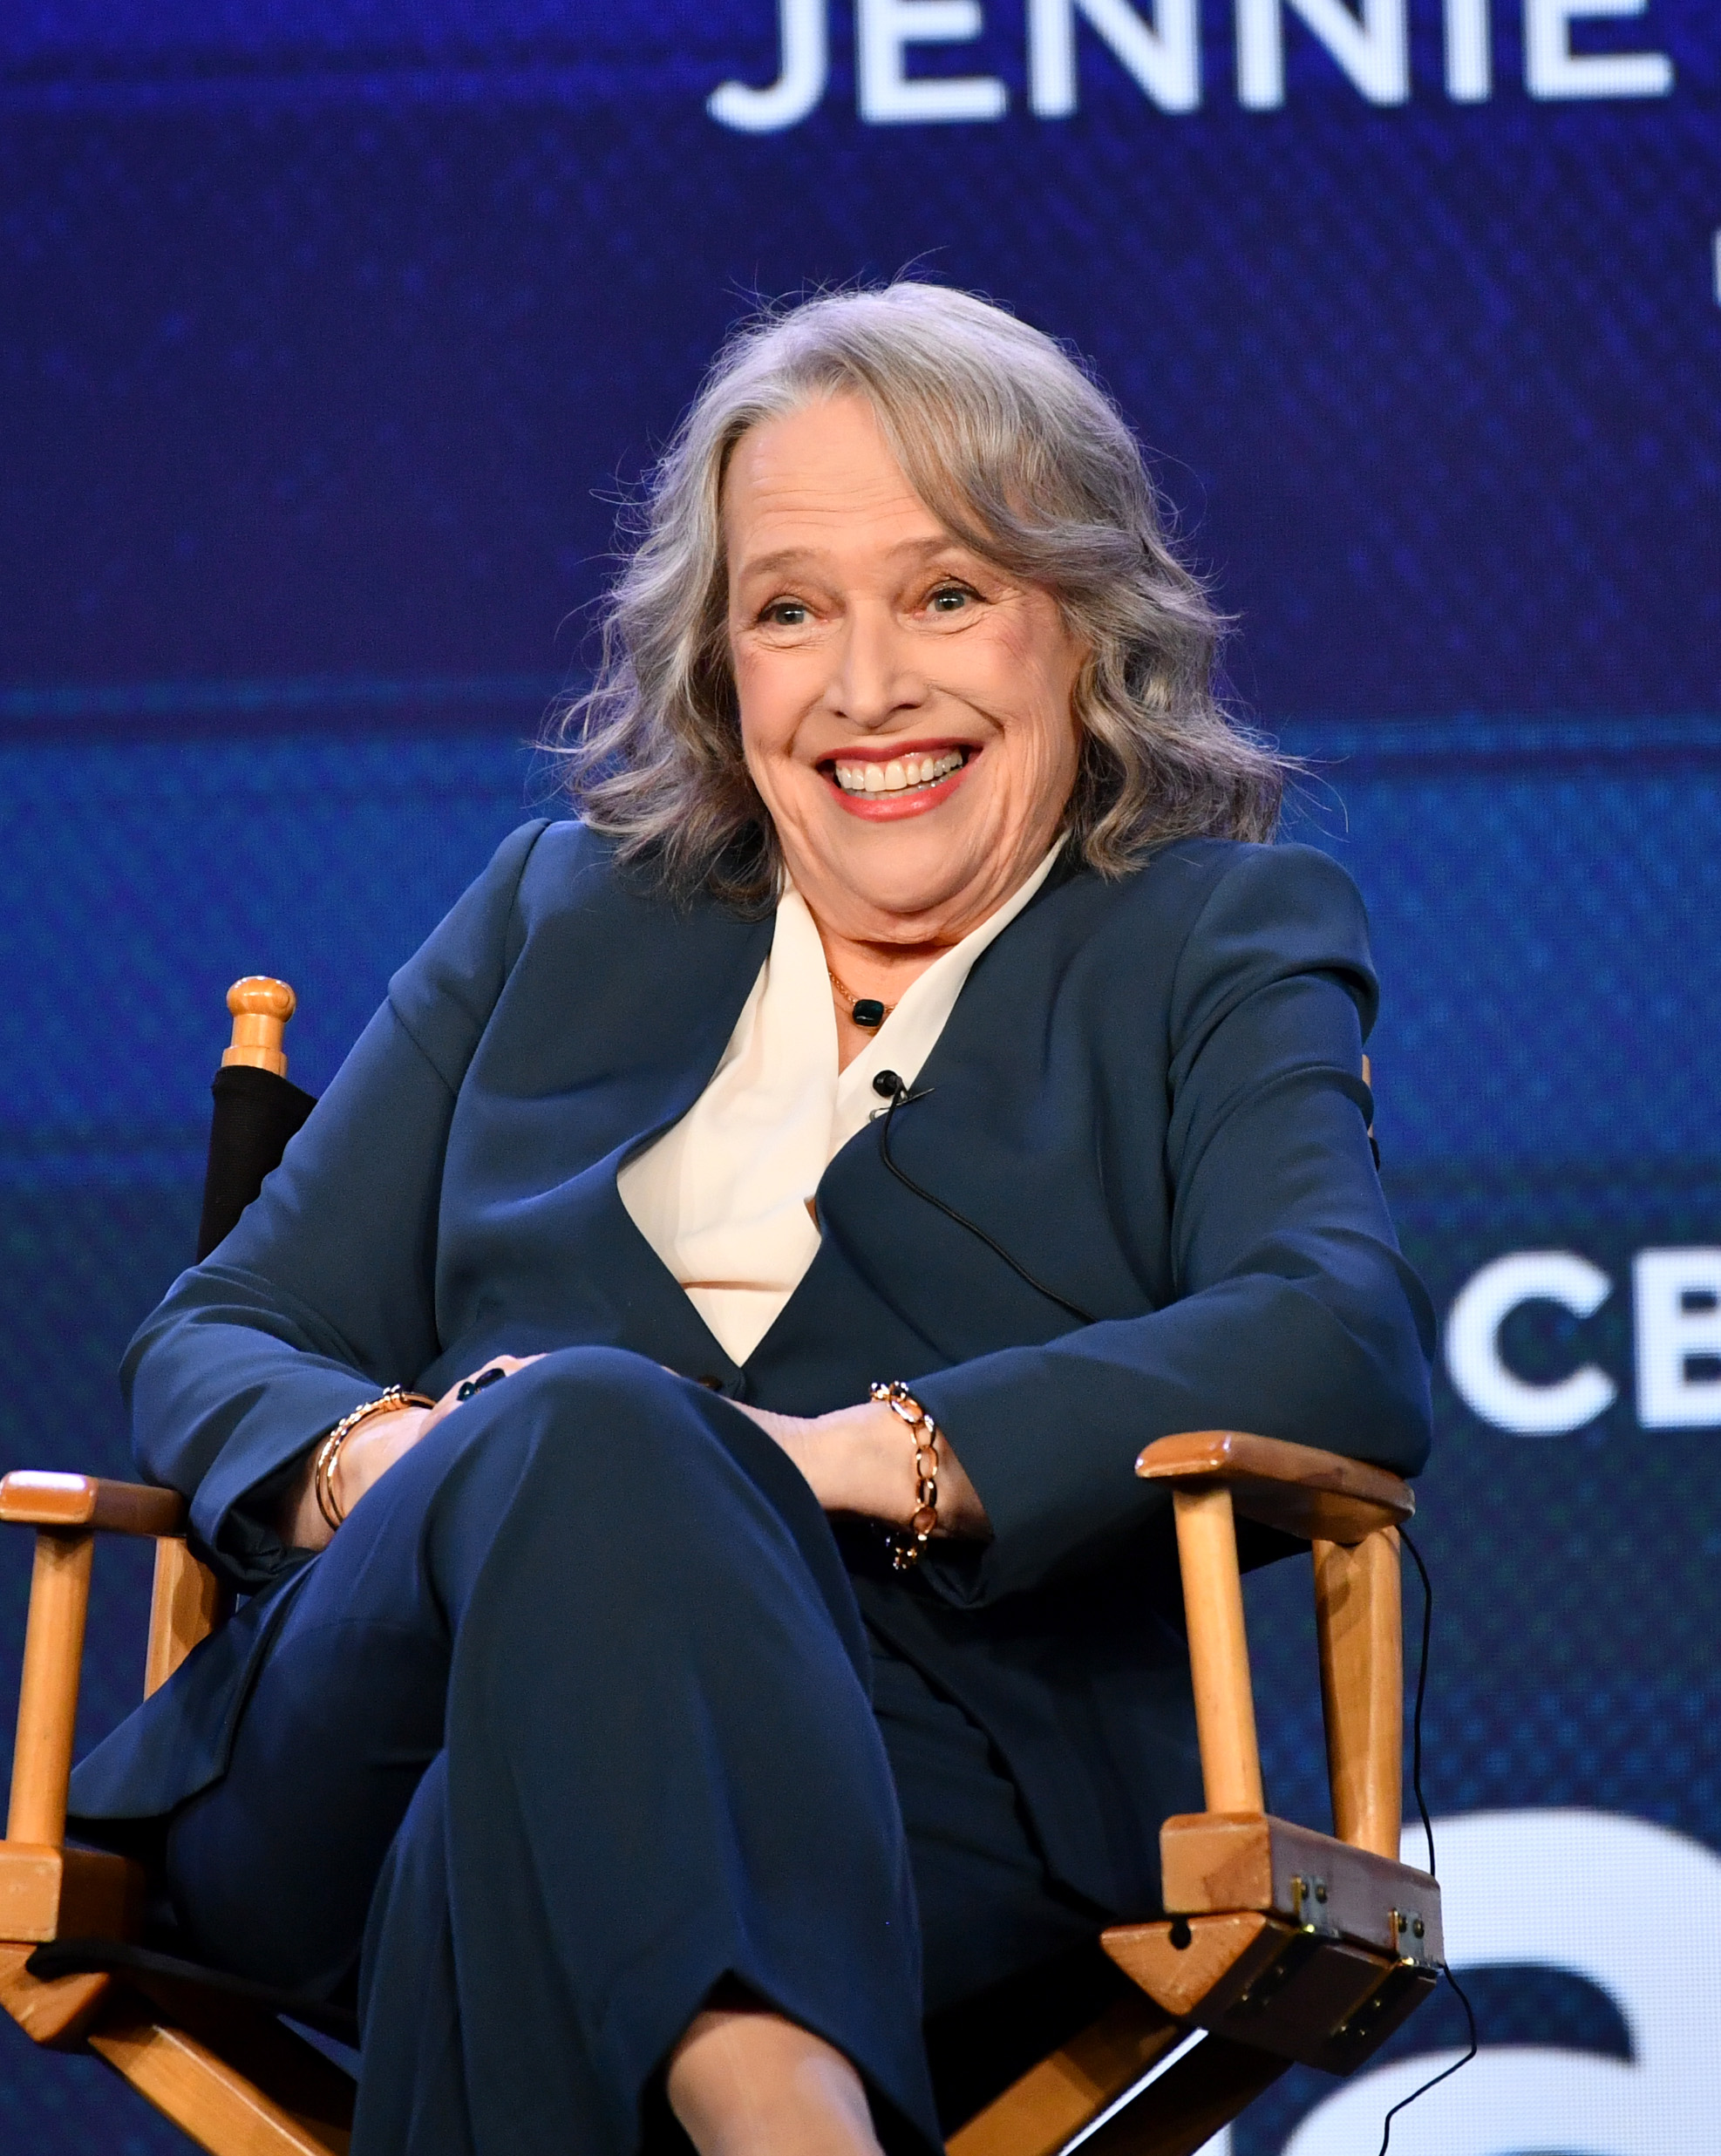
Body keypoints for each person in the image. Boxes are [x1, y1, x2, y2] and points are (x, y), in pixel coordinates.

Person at [69, 283, 1434, 2156]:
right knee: (586, 1424)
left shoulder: (1213, 938)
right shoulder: (560, 910)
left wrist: (849, 1456)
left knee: (516, 1827)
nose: (868, 688)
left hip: (921, 1767)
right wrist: (420, 1467)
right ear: (722, 664)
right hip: (364, 1734)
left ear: (1083, 626)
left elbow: (1330, 1334)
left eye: (947, 593)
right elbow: (214, 1334)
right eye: (792, 609)